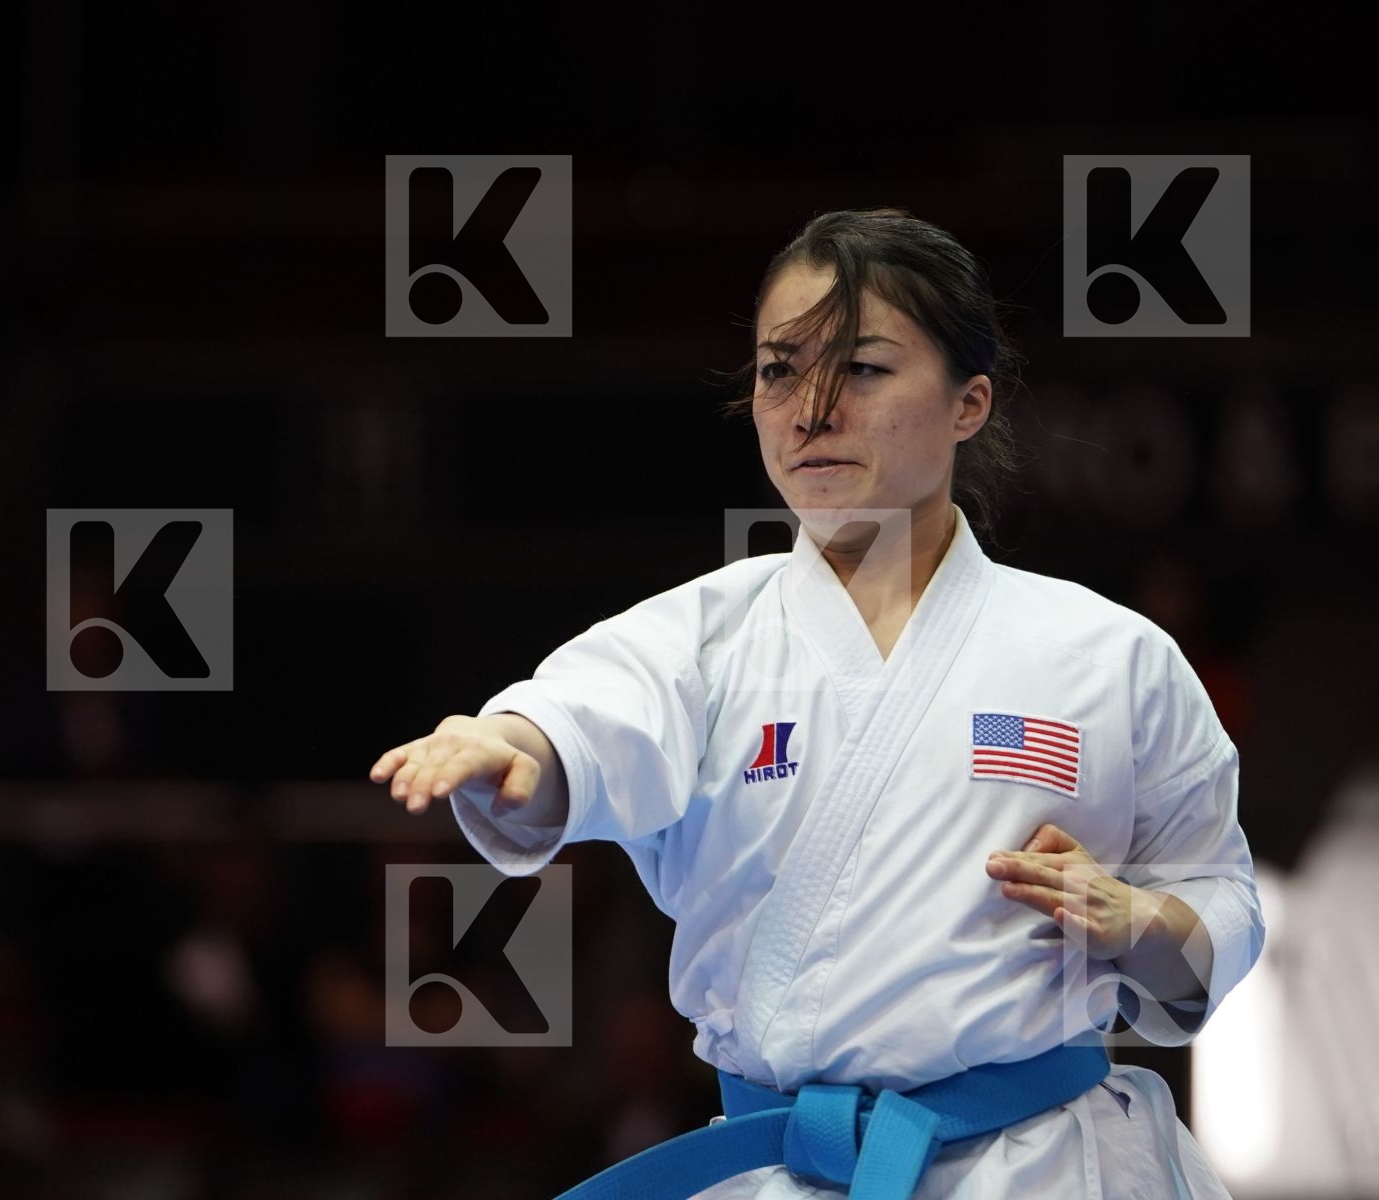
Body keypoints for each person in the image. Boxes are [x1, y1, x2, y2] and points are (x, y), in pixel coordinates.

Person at [369, 208, 1263, 1198]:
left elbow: (1219, 899)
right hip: (789, 1171)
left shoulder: (1110, 658)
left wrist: (1142, 921)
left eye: (866, 369)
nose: (811, 409)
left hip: (1045, 1166)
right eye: (779, 370)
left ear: (969, 403)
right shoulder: (705, 638)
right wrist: (515, 745)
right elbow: (589, 715)